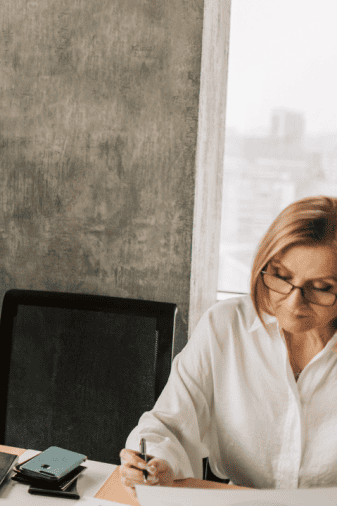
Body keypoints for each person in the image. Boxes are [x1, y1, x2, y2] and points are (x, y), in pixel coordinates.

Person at [119, 195, 337, 494]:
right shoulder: (225, 325)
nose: (293, 302)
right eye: (281, 276)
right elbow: (170, 422)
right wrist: (154, 463)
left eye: (322, 287)